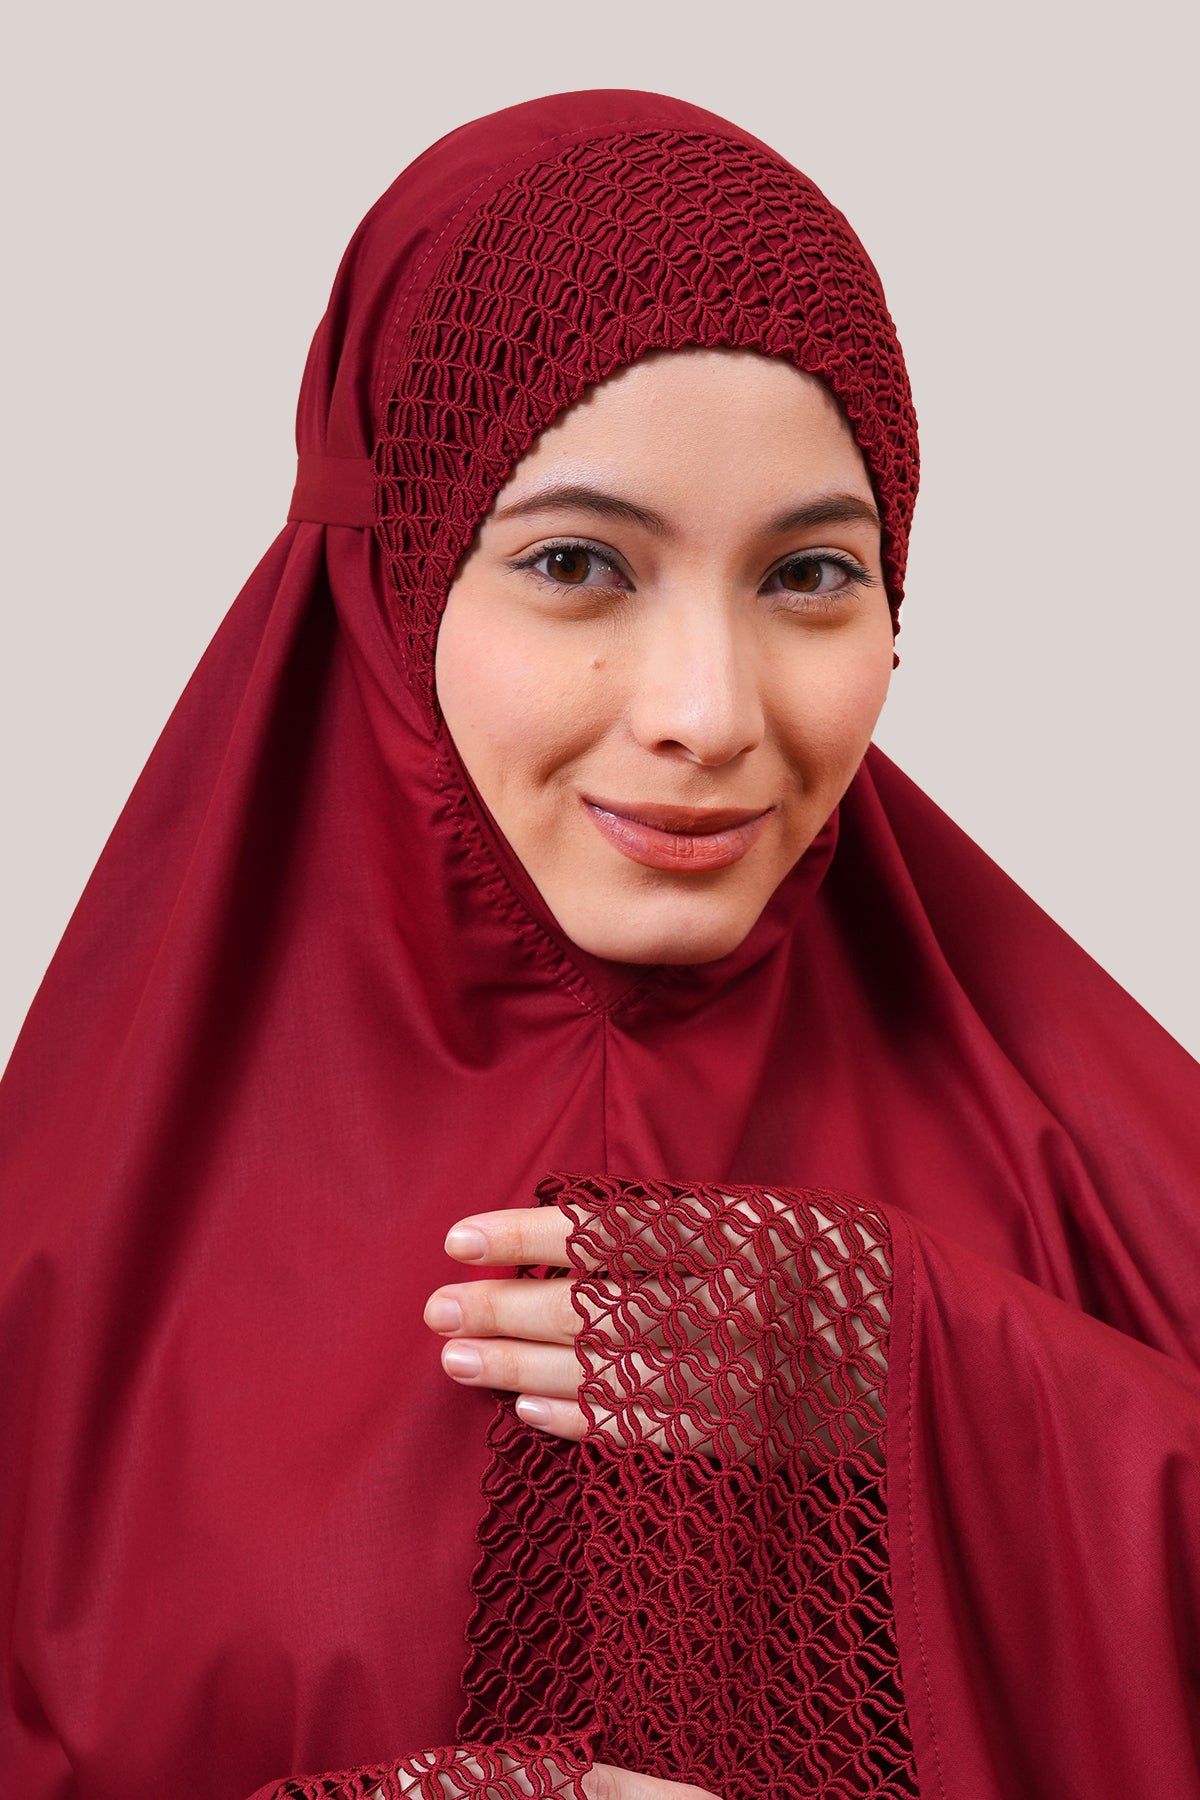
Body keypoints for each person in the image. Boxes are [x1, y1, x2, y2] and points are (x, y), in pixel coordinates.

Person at [0, 88, 1197, 1800]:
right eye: (577, 562)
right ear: (392, 578)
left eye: (810, 575)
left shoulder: (1087, 1149)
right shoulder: (70, 1250)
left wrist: (950, 1376)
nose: (710, 712)